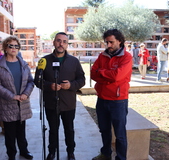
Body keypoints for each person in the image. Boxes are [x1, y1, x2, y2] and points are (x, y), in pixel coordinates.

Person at [34, 32, 85, 160]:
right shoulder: (44, 60)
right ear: (53, 42)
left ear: (67, 44)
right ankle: (52, 152)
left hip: (68, 103)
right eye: (58, 40)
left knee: (69, 129)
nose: (61, 44)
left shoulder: (74, 61)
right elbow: (37, 80)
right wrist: (48, 85)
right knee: (53, 130)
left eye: (64, 41)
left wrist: (72, 85)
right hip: (51, 103)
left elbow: (82, 80)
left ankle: (70, 152)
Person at [91, 29, 132, 160]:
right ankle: (106, 154)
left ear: (120, 41)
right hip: (102, 99)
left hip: (118, 101)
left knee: (120, 134)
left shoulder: (127, 57)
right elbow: (93, 74)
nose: (108, 45)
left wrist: (102, 72)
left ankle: (121, 158)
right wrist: (108, 75)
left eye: (111, 42)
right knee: (104, 130)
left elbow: (117, 76)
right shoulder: (102, 56)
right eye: (106, 42)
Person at [0, 36, 34, 160]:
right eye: (11, 45)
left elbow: (30, 82)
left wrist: (26, 94)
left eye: (16, 46)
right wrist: (12, 96)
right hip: (7, 104)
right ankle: (11, 154)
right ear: (5, 48)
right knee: (10, 133)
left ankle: (24, 151)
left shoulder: (23, 64)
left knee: (21, 131)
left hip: (22, 102)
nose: (14, 48)